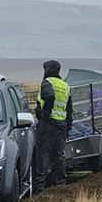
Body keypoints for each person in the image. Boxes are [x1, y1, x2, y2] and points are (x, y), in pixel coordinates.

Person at [35, 59, 73, 187]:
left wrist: (44, 115)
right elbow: (69, 109)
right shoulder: (65, 86)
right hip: (61, 125)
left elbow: (49, 97)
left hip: (48, 125)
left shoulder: (47, 82)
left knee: (43, 155)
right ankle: (61, 184)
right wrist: (68, 127)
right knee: (59, 156)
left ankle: (40, 187)